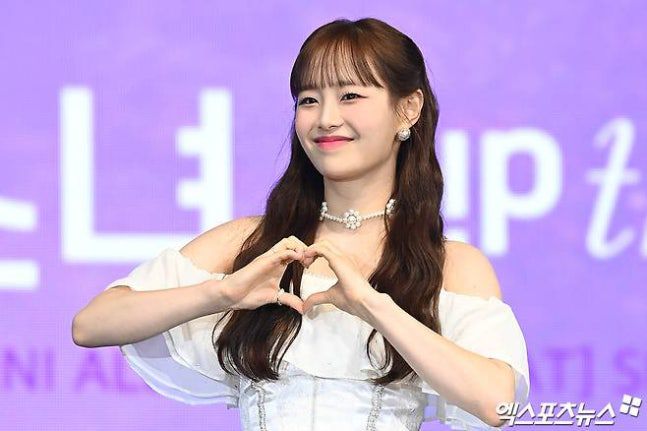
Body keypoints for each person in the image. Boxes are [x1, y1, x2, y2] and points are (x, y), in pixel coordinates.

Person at [72, 17, 530, 431]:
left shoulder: (449, 264)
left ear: (408, 108)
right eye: (309, 100)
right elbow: (91, 325)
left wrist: (373, 306)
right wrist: (222, 294)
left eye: (350, 95)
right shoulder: (255, 243)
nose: (326, 119)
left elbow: (498, 405)